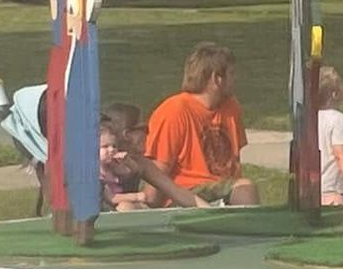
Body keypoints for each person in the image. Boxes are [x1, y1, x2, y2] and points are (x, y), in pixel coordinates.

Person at [144, 43, 259, 206]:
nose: (236, 79)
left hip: (223, 188)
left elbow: (234, 159)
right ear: (216, 79)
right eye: (231, 73)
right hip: (186, 193)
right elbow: (159, 167)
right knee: (245, 189)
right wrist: (150, 204)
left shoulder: (231, 107)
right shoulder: (174, 110)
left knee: (243, 188)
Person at [99, 106, 206, 211]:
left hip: (126, 211)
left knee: (130, 207)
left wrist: (209, 211)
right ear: (127, 135)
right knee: (126, 207)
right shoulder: (95, 166)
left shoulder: (141, 163)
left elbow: (176, 192)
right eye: (144, 129)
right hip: (102, 215)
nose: (149, 133)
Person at [316, 66, 343, 209]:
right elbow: (339, 154)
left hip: (317, 189)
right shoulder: (338, 119)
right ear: (334, 94)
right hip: (334, 191)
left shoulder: (314, 119)